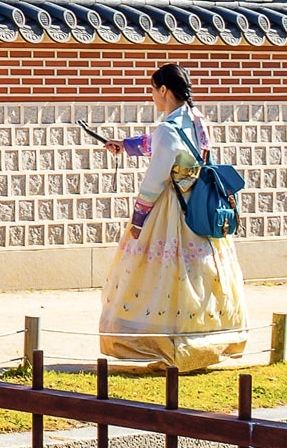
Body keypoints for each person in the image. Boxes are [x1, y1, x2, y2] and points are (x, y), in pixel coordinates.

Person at [98, 62, 248, 372]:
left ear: (164, 90)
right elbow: (163, 145)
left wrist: (138, 220)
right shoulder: (197, 120)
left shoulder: (168, 128)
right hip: (199, 207)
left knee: (160, 274)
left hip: (171, 211)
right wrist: (125, 146)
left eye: (153, 90)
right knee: (199, 275)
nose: (152, 96)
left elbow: (155, 179)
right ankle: (205, 341)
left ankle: (161, 344)